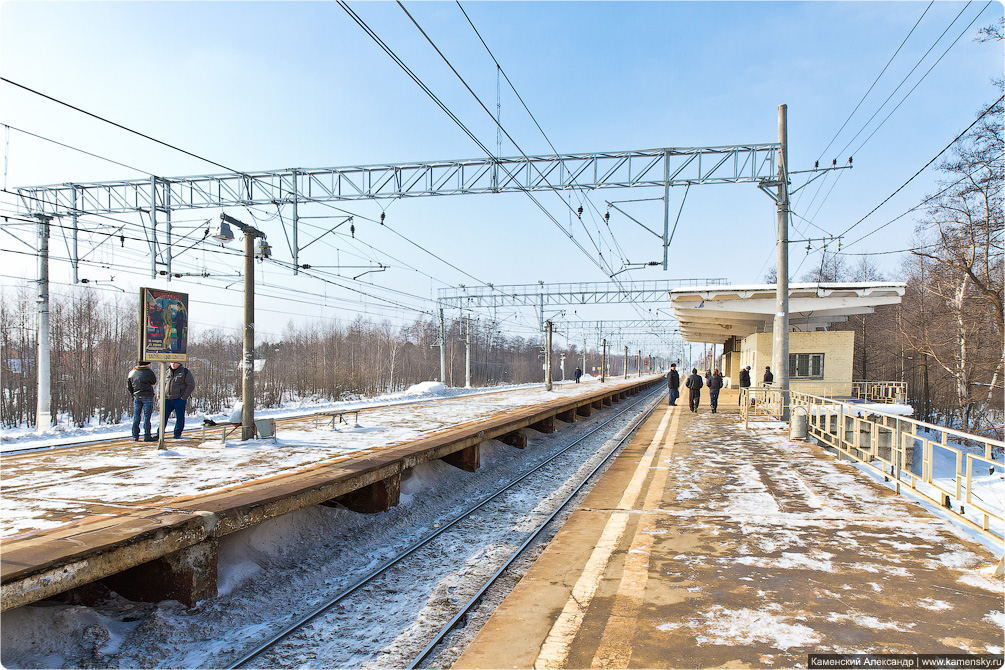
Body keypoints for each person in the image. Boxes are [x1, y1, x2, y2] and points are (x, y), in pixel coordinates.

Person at [164, 361, 196, 439]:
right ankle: (159, 433)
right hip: (167, 398)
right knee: (163, 417)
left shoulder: (185, 372)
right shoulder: (166, 371)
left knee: (180, 417)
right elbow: (163, 383)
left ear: (179, 363)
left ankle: (177, 433)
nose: (173, 364)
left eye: (176, 363)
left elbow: (191, 384)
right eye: (172, 363)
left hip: (179, 399)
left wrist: (184, 397)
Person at [127, 361, 157, 442]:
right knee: (147, 417)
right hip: (147, 396)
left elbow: (129, 386)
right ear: (147, 364)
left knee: (136, 416)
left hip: (137, 396)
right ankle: (147, 435)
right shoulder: (149, 372)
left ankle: (135, 435)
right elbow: (154, 381)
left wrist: (133, 394)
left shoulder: (132, 372)